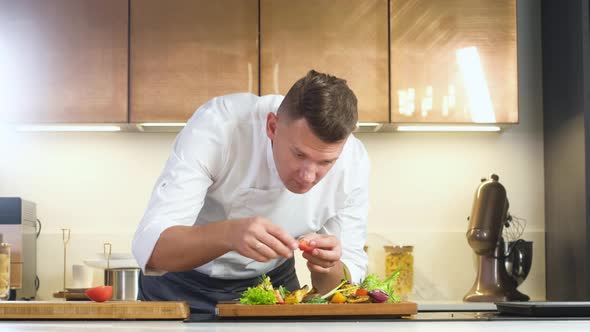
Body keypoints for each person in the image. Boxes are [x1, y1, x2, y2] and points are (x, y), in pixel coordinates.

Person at [132, 69, 370, 314]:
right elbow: (151, 248)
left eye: (325, 163)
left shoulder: (353, 163)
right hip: (177, 285)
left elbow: (341, 288)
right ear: (272, 127)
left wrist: (328, 266)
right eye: (299, 154)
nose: (308, 176)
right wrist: (229, 233)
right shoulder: (219, 126)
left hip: (271, 288)